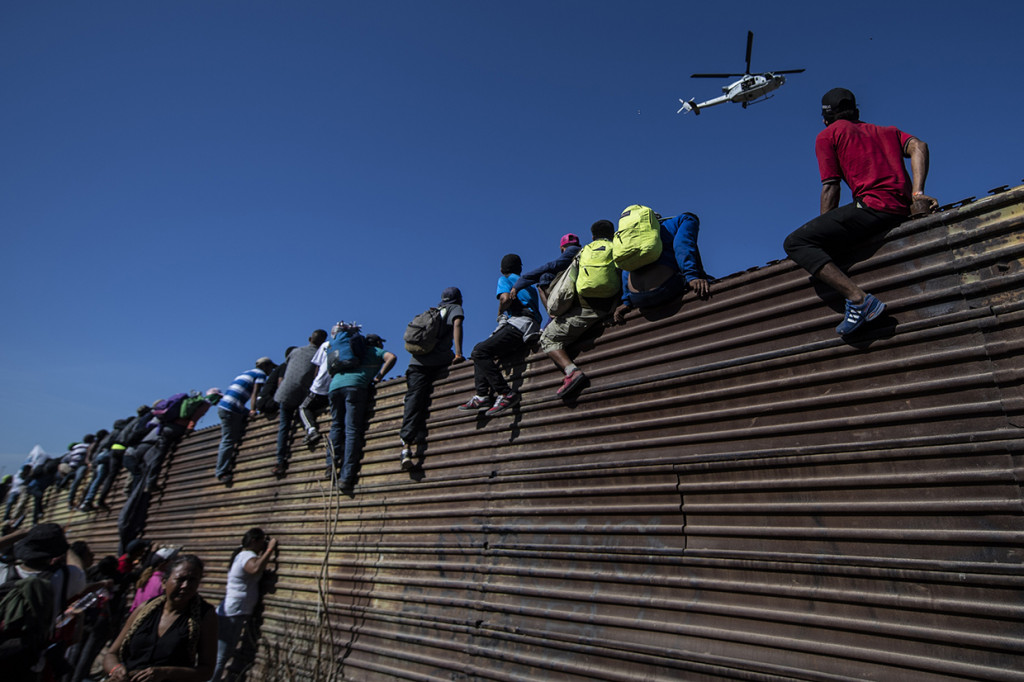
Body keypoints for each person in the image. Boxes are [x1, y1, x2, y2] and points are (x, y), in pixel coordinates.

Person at [783, 87, 939, 335]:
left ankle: (860, 300)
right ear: (856, 111)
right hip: (900, 208)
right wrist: (917, 194)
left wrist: (826, 232)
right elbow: (919, 146)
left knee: (796, 242)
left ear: (825, 118)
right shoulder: (887, 132)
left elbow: (831, 187)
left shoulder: (828, 135)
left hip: (873, 206)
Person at [539, 221, 622, 398]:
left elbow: (570, 287)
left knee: (547, 338)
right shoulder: (617, 247)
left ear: (592, 236)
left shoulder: (583, 252)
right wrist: (615, 307)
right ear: (612, 233)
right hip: (609, 306)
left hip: (587, 309)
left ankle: (572, 372)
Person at [102, 554, 216, 682]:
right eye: (180, 579)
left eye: (193, 580)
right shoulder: (145, 609)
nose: (186, 585)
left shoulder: (205, 615)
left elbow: (206, 671)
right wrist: (116, 669)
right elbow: (111, 654)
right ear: (163, 582)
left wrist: (166, 672)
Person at [459, 254, 541, 416]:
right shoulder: (529, 285)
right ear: (520, 268)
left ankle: (504, 393)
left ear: (502, 269)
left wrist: (500, 313)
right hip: (531, 327)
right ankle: (482, 395)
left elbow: (504, 299)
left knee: (479, 352)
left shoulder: (506, 279)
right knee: (481, 349)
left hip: (518, 325)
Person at [399, 288, 465, 470]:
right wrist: (458, 354)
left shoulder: (434, 311)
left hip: (416, 363)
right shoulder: (454, 309)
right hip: (438, 360)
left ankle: (406, 447)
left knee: (413, 401)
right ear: (458, 299)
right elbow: (458, 324)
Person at [612, 209, 710, 324]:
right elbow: (683, 246)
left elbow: (627, 267)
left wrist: (626, 301)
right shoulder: (683, 220)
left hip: (637, 298)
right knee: (709, 281)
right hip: (664, 290)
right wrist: (692, 277)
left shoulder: (632, 240)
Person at [327, 331, 396, 493]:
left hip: (335, 386)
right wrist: (379, 377)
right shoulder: (374, 351)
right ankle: (346, 477)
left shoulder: (353, 350)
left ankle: (330, 464)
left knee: (336, 426)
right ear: (377, 343)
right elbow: (391, 357)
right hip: (355, 387)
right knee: (352, 430)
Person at [210, 528, 278, 682]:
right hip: (234, 611)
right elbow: (254, 568)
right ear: (254, 541)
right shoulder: (247, 556)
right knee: (221, 656)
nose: (263, 545)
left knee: (223, 654)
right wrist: (270, 549)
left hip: (233, 610)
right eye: (262, 542)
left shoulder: (243, 555)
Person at [272, 330, 328, 477]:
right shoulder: (320, 355)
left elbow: (288, 371)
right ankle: (311, 431)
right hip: (302, 394)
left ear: (309, 338)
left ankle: (280, 461)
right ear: (323, 342)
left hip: (285, 393)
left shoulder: (295, 352)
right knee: (305, 411)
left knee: (284, 427)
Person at [215, 358, 275, 485]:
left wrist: (247, 412)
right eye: (270, 367)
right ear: (265, 366)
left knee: (228, 438)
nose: (271, 371)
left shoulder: (246, 373)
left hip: (226, 406)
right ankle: (221, 472)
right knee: (228, 440)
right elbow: (256, 393)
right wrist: (253, 410)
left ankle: (222, 468)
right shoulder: (260, 374)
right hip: (231, 408)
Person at [511, 233, 582, 310]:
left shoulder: (572, 251)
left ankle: (552, 311)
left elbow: (551, 266)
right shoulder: (583, 252)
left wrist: (520, 283)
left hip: (576, 290)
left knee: (545, 276)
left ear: (562, 249)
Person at [130, 546, 180, 612]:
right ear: (163, 564)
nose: (177, 561)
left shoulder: (145, 580)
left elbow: (134, 608)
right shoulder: (163, 583)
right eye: (174, 559)